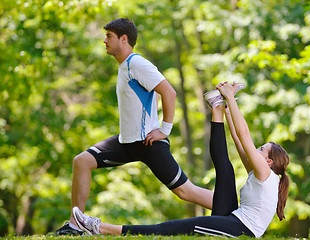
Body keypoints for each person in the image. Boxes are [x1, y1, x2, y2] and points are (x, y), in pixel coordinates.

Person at [51, 18, 213, 236]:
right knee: (82, 161)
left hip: (148, 143)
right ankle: (75, 225)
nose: (104, 41)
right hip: (126, 142)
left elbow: (169, 92)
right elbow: (152, 93)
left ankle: (236, 210)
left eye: (109, 36)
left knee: (185, 191)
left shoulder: (137, 63)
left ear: (124, 38)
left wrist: (164, 130)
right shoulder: (125, 66)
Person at [71, 82, 290, 238]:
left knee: (173, 228)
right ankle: (216, 107)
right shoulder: (261, 173)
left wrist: (232, 98)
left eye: (263, 149)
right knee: (225, 168)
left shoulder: (266, 173)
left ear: (269, 161)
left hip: (241, 230)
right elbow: (237, 139)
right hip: (234, 216)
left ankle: (98, 227)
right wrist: (225, 107)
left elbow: (245, 136)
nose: (257, 150)